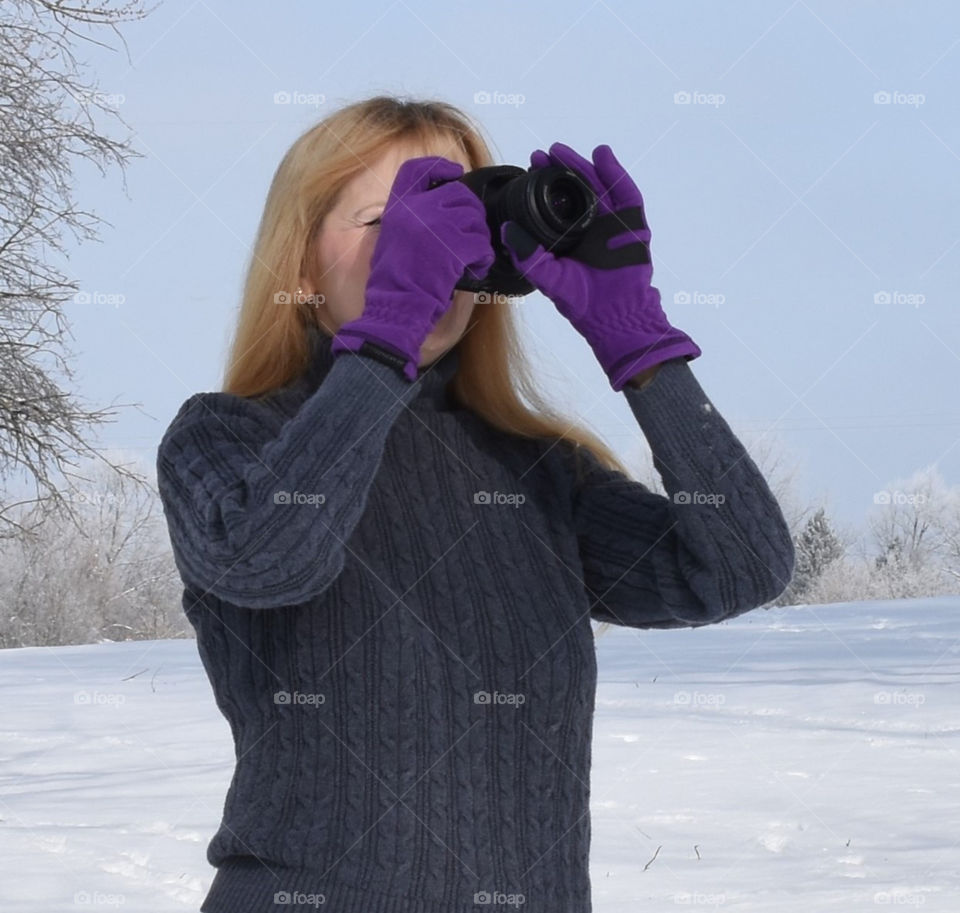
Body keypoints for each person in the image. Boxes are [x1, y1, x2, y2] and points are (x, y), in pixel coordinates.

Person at [156, 95, 795, 913]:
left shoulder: (535, 472)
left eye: (456, 216)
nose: (429, 251)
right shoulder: (226, 438)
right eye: (390, 220)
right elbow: (271, 555)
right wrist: (385, 340)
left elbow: (740, 566)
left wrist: (639, 341)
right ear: (303, 268)